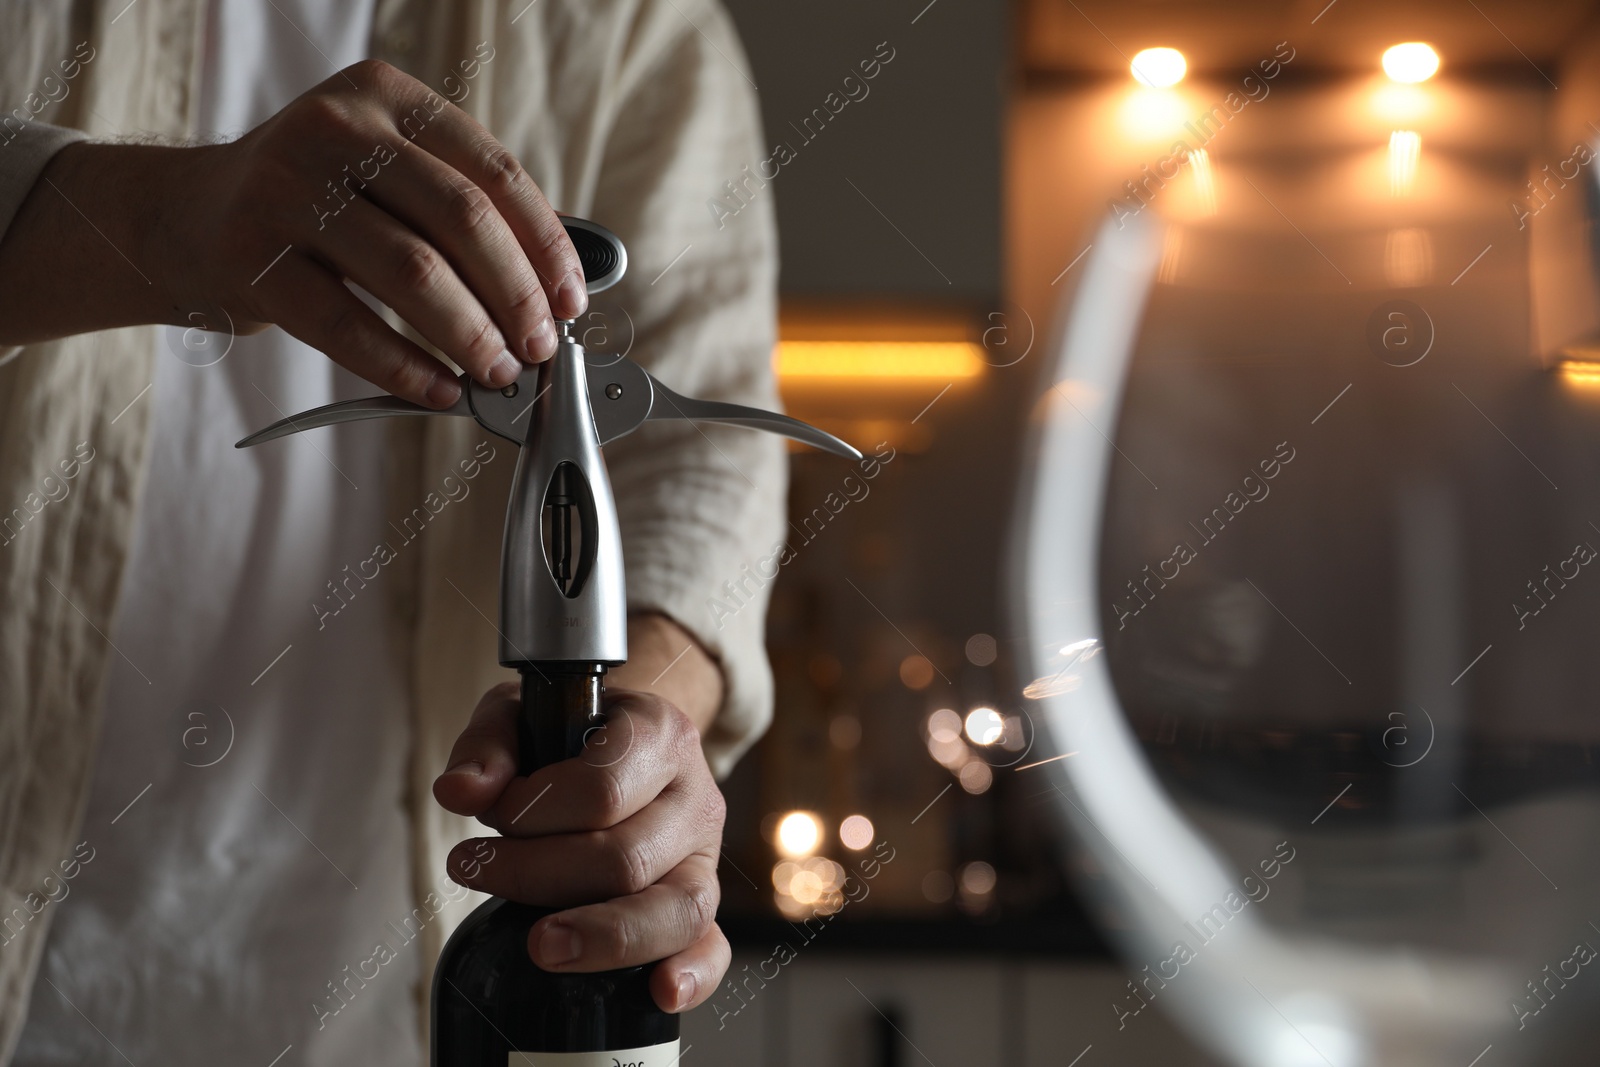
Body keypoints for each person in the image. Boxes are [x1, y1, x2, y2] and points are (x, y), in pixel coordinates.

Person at [0, 1, 784, 1062]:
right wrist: (145, 214)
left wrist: (638, 747)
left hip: (398, 1011)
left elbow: (702, 466)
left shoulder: (637, 24)